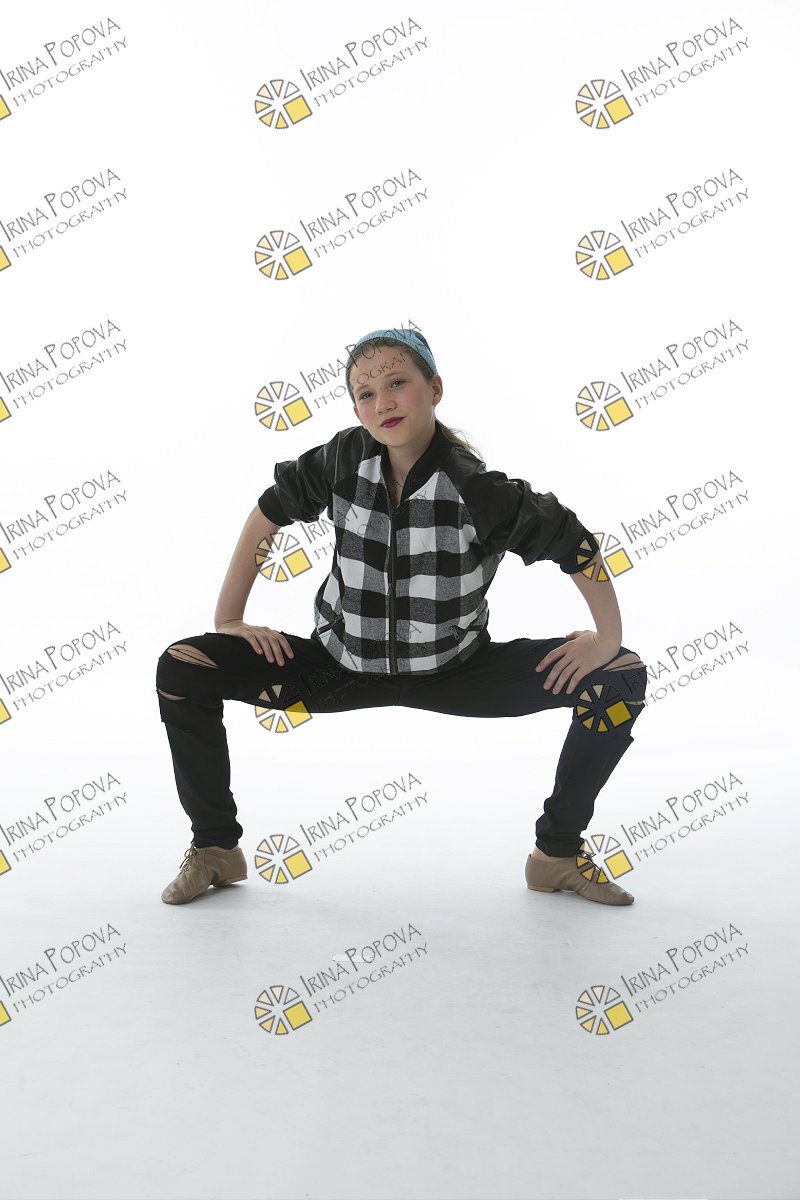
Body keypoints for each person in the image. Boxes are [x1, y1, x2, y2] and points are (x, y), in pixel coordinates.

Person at [156, 327, 648, 906]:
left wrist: (607, 638)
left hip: (459, 672)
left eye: (397, 383)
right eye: (365, 393)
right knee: (183, 668)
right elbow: (268, 513)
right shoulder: (341, 460)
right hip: (336, 668)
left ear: (434, 388)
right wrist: (230, 620)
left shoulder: (476, 487)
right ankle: (215, 848)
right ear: (355, 409)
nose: (382, 402)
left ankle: (556, 856)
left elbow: (575, 544)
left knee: (621, 679)